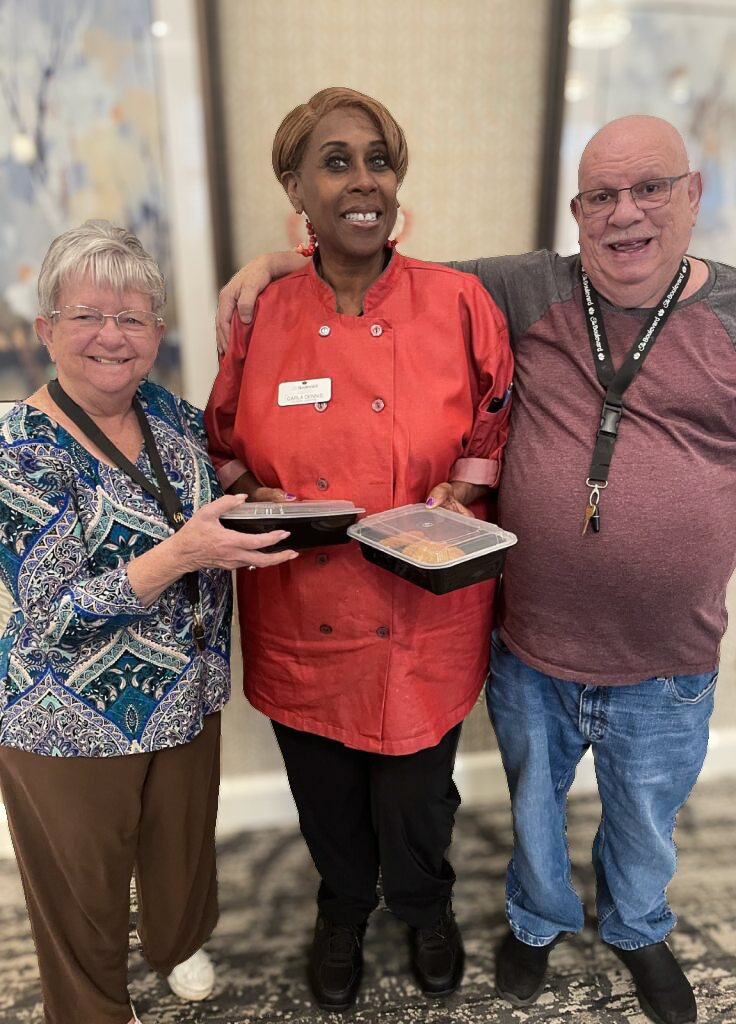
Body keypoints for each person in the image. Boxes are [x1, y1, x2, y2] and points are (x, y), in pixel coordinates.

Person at [216, 114, 736, 1024]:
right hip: (520, 640)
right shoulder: (529, 286)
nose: (624, 214)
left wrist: (461, 496)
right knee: (524, 814)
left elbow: (480, 413)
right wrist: (273, 268)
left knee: (636, 817)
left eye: (651, 189)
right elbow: (354, 286)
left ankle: (631, 927)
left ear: (693, 193)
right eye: (601, 196)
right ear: (577, 211)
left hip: (652, 649)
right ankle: (499, 918)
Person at [204, 87, 513, 1013]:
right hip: (304, 609)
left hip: (426, 612)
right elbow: (221, 443)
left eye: (377, 159)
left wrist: (461, 492)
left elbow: (494, 421)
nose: (362, 180)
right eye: (335, 162)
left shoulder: (458, 300)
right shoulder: (262, 315)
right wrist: (254, 494)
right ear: (295, 186)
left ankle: (425, 908)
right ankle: (341, 908)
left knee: (419, 799)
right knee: (326, 793)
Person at [0, 220, 297, 1024]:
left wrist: (274, 262)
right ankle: (94, 1007)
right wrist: (181, 553)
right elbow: (52, 613)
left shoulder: (168, 411)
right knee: (83, 893)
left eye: (132, 318)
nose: (110, 336)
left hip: (186, 696)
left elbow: (229, 474)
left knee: (180, 855)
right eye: (87, 315)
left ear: (157, 334)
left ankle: (175, 944)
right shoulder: (20, 449)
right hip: (67, 720)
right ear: (46, 331)